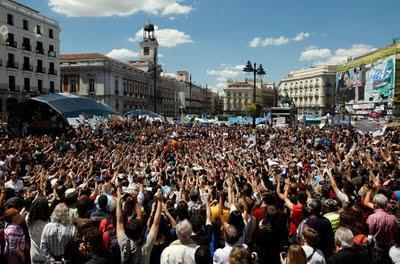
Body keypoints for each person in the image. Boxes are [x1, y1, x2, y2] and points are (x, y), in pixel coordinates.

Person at [116, 190, 162, 264]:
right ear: (141, 232)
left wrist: (118, 201)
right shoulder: (146, 246)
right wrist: (160, 202)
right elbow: (155, 224)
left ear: (127, 233)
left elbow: (119, 221)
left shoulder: (123, 242)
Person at [367, 194, 397, 263]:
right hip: (390, 246)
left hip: (378, 246)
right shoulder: (393, 217)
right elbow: (395, 231)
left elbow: (371, 232)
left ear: (376, 204)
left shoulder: (372, 217)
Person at [26, 197, 50, 264]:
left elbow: (32, 206)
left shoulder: (28, 219)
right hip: (46, 255)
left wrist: (37, 197)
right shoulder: (49, 224)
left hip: (34, 254)